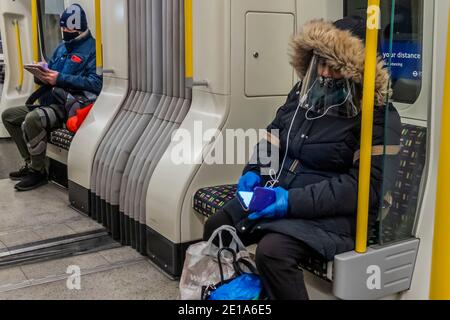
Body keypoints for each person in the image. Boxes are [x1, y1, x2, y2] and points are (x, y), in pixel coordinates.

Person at [203, 16, 402, 300]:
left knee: (273, 252)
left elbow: (365, 188)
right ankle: (249, 294)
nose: (325, 73)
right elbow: (273, 140)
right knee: (217, 227)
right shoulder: (303, 97)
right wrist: (255, 173)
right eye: (320, 63)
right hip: (280, 190)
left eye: (335, 66)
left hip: (334, 214)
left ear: (358, 71)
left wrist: (288, 202)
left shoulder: (378, 117)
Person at [1, 4, 103, 192]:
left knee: (32, 119)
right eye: (62, 27)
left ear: (79, 27)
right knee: (9, 115)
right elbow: (53, 71)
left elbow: (96, 83)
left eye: (68, 28)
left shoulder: (93, 50)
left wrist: (60, 78)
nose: (64, 31)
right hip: (50, 100)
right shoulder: (61, 48)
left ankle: (38, 172)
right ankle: (29, 161)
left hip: (69, 105)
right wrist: (41, 72)